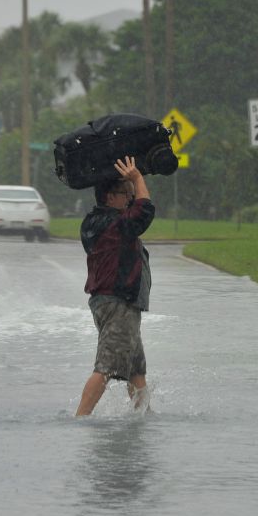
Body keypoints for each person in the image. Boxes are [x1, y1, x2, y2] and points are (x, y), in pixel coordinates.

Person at [75, 156, 155, 416]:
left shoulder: (96, 222)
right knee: (106, 367)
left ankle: (144, 414)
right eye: (125, 194)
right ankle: (80, 417)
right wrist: (138, 178)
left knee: (135, 369)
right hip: (119, 304)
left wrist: (132, 183)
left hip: (113, 303)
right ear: (110, 197)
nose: (130, 199)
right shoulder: (115, 224)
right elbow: (144, 211)